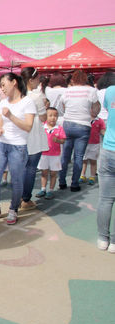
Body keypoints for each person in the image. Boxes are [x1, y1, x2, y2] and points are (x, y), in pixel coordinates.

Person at [0, 73, 35, 225]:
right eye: (0, 86)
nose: (2, 88)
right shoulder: (3, 103)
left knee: (16, 180)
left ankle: (13, 209)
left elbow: (28, 126)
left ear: (14, 83)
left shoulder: (27, 102)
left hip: (18, 146)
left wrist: (11, 116)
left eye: (4, 84)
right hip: (2, 144)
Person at [58, 70, 101, 192]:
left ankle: (61, 181)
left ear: (72, 79)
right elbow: (96, 107)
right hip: (83, 125)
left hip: (68, 124)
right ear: (85, 79)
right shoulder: (91, 91)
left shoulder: (67, 91)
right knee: (79, 156)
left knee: (65, 156)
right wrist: (93, 113)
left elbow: (62, 107)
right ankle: (74, 184)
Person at [20, 67, 49, 210]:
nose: (39, 81)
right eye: (37, 78)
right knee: (31, 168)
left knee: (21, 169)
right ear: (31, 80)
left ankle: (19, 197)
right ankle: (25, 198)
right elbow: (44, 117)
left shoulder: (17, 95)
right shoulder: (36, 97)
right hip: (34, 134)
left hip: (20, 135)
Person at [97, 82, 115, 252]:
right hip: (109, 149)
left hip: (109, 149)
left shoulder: (110, 91)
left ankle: (103, 238)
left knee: (105, 199)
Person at [36, 107, 66, 199]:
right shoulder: (42, 127)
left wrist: (57, 140)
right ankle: (43, 189)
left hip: (55, 155)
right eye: (50, 115)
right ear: (46, 116)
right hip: (44, 154)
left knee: (53, 173)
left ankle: (51, 190)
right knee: (44, 172)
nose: (53, 118)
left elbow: (63, 140)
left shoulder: (59, 128)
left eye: (55, 116)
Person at [80, 116, 106, 185]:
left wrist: (107, 136)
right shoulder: (85, 118)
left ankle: (92, 176)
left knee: (93, 161)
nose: (95, 110)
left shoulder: (100, 120)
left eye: (98, 109)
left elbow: (102, 130)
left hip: (95, 144)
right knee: (84, 160)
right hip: (85, 143)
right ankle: (82, 175)